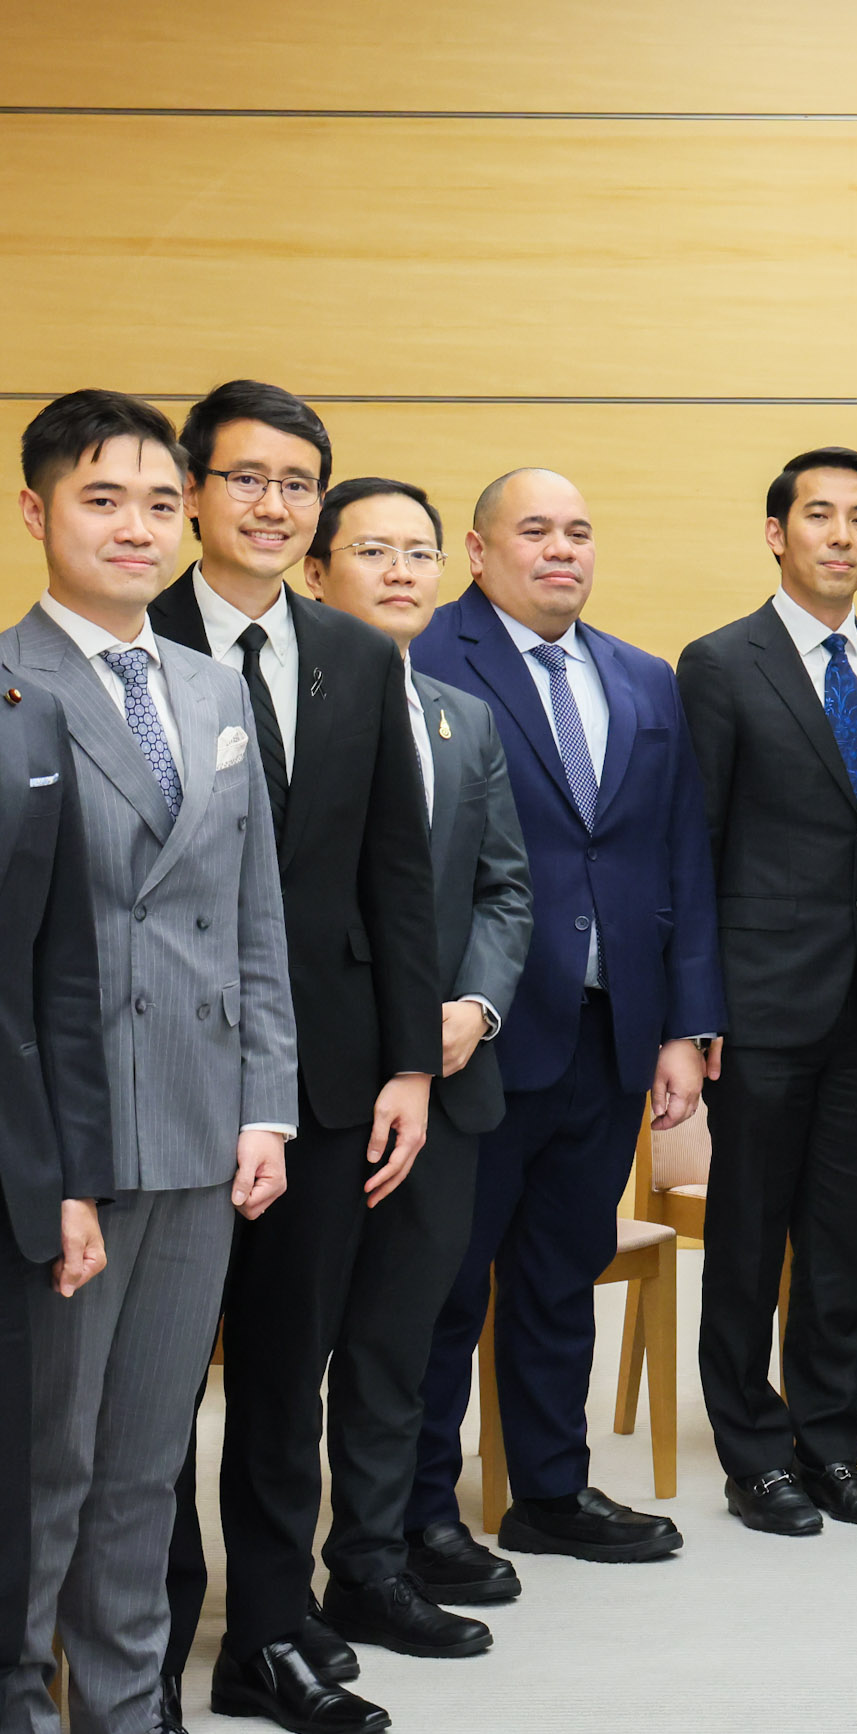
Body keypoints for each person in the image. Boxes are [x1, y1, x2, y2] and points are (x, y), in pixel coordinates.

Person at [0, 391, 298, 1734]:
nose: (137, 527)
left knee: (144, 1466)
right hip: (68, 1145)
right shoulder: (11, 685)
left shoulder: (210, 685)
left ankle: (125, 1709)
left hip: (203, 1129)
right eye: (102, 499)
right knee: (41, 1471)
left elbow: (253, 914)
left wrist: (268, 1105)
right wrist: (48, 1165)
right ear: (35, 512)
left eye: (161, 503)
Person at [147, 383, 443, 1734]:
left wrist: (408, 1065)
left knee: (283, 1374)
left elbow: (397, 876)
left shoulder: (355, 656)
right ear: (193, 490)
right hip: (159, 1072)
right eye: (246, 478)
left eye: (298, 483)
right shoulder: (131, 637)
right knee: (151, 1389)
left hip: (324, 1077)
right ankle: (144, 1638)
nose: (273, 504)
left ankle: (266, 1632)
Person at [405, 469, 725, 1581]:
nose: (561, 550)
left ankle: (548, 1489)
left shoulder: (641, 677)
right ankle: (415, 1513)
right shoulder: (427, 656)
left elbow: (677, 855)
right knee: (445, 1285)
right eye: (534, 530)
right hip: (475, 1034)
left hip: (610, 1029)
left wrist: (683, 1025)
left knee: (560, 1271)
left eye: (578, 532)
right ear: (476, 551)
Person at [678, 448, 857, 1536]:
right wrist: (695, 1008)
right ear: (775, 533)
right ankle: (752, 1455)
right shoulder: (719, 662)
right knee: (748, 1237)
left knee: (844, 1237)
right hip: (757, 1001)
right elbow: (693, 846)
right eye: (820, 515)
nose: (842, 535)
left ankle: (830, 1444)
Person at [300, 477, 532, 1659]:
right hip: (319, 1089)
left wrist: (474, 1009)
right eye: (372, 551)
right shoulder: (280, 705)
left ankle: (373, 1566)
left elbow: (504, 888)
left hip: (446, 1087)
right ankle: (268, 1594)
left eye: (419, 552)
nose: (401, 572)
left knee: (400, 1339)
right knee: (291, 1353)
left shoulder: (461, 717)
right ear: (314, 572)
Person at [0, 669, 113, 1685]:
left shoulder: (30, 712)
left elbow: (61, 970)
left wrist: (77, 1179)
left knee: (13, 1469)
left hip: (13, 1168)